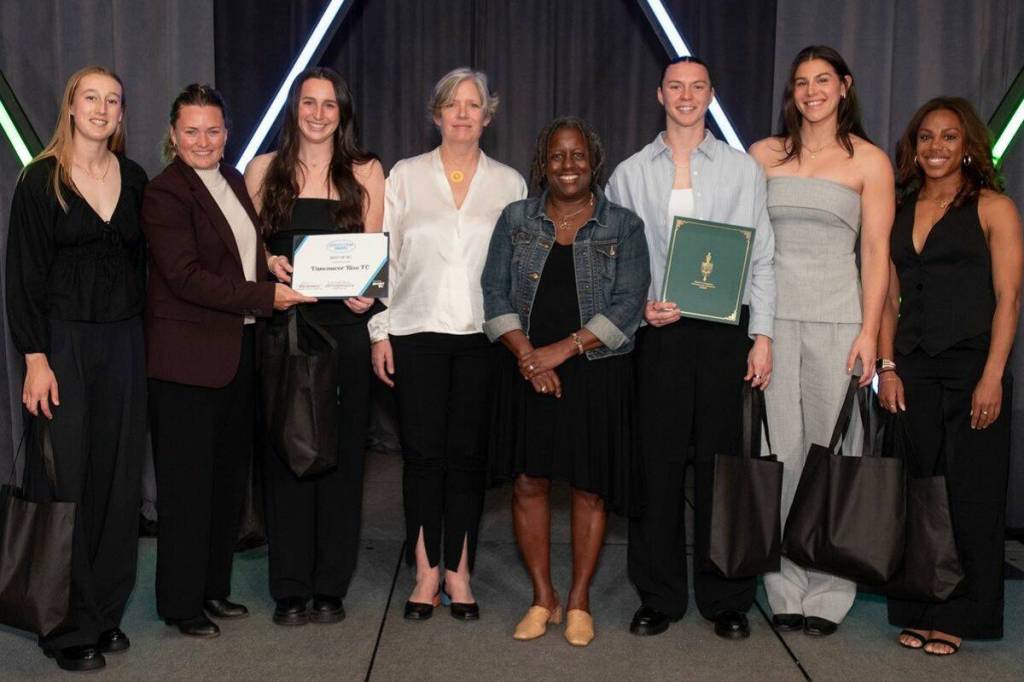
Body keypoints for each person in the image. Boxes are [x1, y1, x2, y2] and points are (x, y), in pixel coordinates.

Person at [606, 55, 776, 641]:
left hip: (726, 334)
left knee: (722, 468)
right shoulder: (629, 173)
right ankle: (658, 595)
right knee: (656, 468)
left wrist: (763, 336)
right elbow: (617, 263)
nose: (686, 96)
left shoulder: (742, 169)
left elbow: (762, 257)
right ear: (660, 94)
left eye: (697, 86)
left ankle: (726, 597)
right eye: (675, 86)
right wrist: (639, 309)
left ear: (710, 94)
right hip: (658, 335)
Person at [143, 84, 311, 638]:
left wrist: (270, 265)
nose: (203, 140)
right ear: (174, 135)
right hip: (186, 366)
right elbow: (186, 277)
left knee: (224, 484)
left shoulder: (233, 179)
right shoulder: (165, 193)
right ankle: (180, 603)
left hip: (236, 355)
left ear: (226, 134)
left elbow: (239, 254)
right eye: (191, 131)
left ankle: (212, 588)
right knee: (186, 488)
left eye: (213, 130)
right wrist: (266, 296)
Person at [482, 117, 649, 646]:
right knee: (528, 482)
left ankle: (578, 601)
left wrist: (561, 350)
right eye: (557, 155)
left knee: (588, 486)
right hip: (525, 371)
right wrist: (530, 358)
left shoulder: (624, 225)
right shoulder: (516, 219)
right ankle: (542, 597)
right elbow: (493, 293)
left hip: (596, 372)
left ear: (594, 161)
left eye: (578, 155)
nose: (568, 165)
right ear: (542, 163)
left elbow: (628, 305)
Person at [368, 68, 526, 620]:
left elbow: (518, 270)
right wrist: (379, 331)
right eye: (452, 104)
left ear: (488, 115)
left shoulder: (510, 184)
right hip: (414, 333)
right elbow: (383, 257)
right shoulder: (404, 176)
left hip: (484, 339)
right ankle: (425, 570)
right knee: (422, 458)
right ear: (436, 114)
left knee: (467, 460)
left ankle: (459, 571)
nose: (462, 113)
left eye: (473, 104)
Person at [5, 65, 147, 673]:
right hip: (61, 347)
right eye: (91, 97)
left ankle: (104, 612)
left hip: (125, 342)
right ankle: (64, 626)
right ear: (70, 106)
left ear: (120, 113)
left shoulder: (134, 178)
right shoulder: (40, 180)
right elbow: (23, 277)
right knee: (66, 482)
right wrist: (35, 359)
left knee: (117, 479)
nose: (101, 108)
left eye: (112, 100)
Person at [749, 45, 894, 636]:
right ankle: (783, 583)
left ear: (844, 86)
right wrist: (756, 329)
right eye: (802, 81)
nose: (812, 91)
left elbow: (877, 253)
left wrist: (869, 333)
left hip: (840, 323)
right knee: (779, 451)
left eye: (823, 80)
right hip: (775, 324)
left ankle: (831, 588)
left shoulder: (870, 161)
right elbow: (745, 243)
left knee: (832, 453)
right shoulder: (762, 155)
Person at [879, 97, 1022, 656]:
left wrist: (993, 376)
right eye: (926, 137)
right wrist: (888, 366)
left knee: (972, 494)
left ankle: (963, 613)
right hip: (912, 369)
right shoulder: (900, 207)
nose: (935, 146)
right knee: (920, 491)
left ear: (967, 147)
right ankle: (919, 607)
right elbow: (888, 298)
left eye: (948, 137)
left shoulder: (994, 208)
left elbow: (1009, 299)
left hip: (973, 367)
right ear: (913, 147)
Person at [244, 67, 385, 626]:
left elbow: (374, 251)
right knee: (285, 455)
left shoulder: (366, 170)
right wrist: (268, 262)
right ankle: (289, 586)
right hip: (285, 330)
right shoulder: (263, 170)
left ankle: (330, 585)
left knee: (343, 458)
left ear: (342, 112)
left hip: (345, 331)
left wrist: (367, 292)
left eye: (329, 104)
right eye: (309, 102)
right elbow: (246, 248)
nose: (319, 114)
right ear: (294, 108)